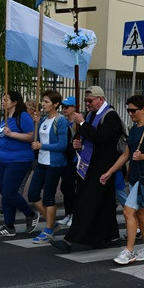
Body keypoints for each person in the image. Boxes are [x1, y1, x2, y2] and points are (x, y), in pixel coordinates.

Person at [50, 86, 122, 252]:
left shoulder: (111, 116)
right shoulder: (90, 115)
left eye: (90, 101)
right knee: (104, 203)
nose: (87, 104)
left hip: (103, 166)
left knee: (86, 203)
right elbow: (88, 137)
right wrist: (78, 144)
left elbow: (100, 137)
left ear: (101, 99)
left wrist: (81, 123)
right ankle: (110, 235)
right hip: (88, 164)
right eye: (86, 101)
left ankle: (70, 240)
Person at [103, 95, 144, 265]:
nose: (130, 113)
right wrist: (110, 172)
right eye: (128, 110)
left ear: (143, 109)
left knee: (128, 211)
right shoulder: (134, 129)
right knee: (141, 213)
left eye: (133, 110)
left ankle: (129, 250)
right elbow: (126, 155)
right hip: (135, 175)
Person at [0, 90, 36, 236]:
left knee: (9, 192)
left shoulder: (23, 116)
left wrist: (12, 134)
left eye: (5, 99)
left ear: (14, 102)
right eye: (2, 99)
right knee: (5, 193)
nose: (2, 101)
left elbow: (31, 136)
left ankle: (30, 214)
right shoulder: (5, 119)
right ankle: (9, 226)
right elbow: (0, 141)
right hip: (3, 160)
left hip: (19, 160)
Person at [25, 90, 69, 244]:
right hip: (42, 162)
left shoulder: (61, 121)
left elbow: (63, 145)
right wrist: (36, 122)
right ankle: (52, 223)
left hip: (55, 163)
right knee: (33, 194)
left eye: (46, 102)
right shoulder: (43, 119)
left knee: (48, 196)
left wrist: (42, 146)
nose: (43, 104)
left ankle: (48, 230)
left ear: (55, 104)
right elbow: (36, 137)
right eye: (43, 101)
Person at [57, 96, 79, 227]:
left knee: (72, 187)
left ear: (74, 108)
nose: (64, 109)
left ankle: (75, 214)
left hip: (76, 160)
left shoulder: (78, 123)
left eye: (67, 107)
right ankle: (68, 213)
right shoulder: (63, 122)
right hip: (66, 159)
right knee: (65, 187)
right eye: (63, 107)